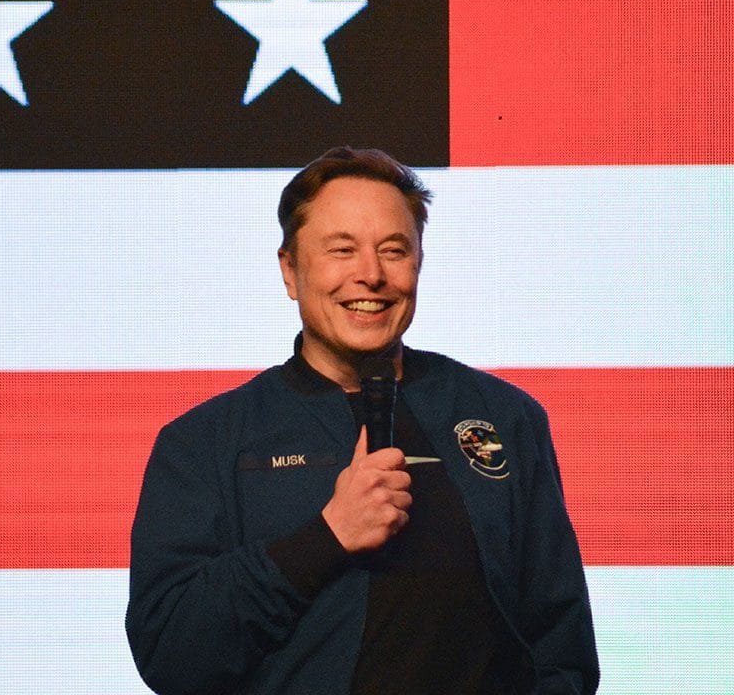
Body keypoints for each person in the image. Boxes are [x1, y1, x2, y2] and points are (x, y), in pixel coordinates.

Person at [126, 146, 599, 694]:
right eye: (342, 250)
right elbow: (170, 652)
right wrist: (328, 537)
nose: (371, 275)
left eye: (393, 250)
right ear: (290, 270)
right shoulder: (204, 443)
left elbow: (562, 647)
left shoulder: (504, 417)